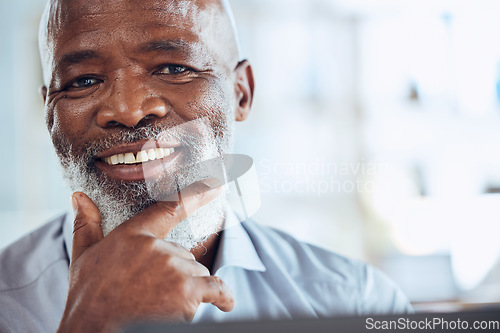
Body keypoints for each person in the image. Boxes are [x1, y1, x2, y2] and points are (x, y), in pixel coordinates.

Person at [0, 0, 412, 331]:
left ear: (241, 95)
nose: (126, 110)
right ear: (48, 112)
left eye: (174, 68)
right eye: (82, 81)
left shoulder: (357, 302)